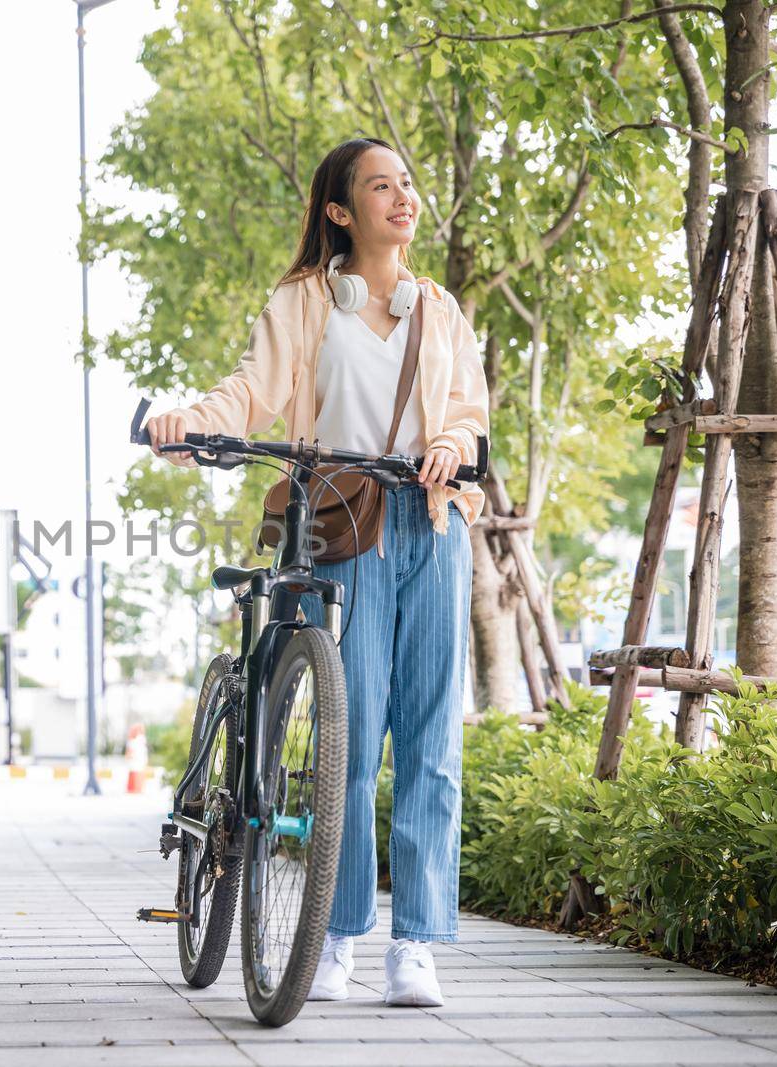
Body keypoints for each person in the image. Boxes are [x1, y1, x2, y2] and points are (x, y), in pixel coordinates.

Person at [144, 137, 490, 1008]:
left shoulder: (438, 309)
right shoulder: (306, 302)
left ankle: (416, 944)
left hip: (433, 522)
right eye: (382, 186)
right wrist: (189, 419)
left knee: (432, 747)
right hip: (346, 521)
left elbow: (471, 415)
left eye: (406, 183)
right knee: (353, 738)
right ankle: (332, 939)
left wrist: (451, 442)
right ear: (341, 211)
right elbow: (249, 390)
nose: (402, 197)